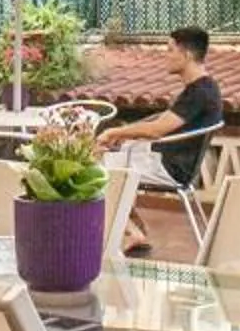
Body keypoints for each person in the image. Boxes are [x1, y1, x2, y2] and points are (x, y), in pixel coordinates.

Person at [95, 25, 222, 254]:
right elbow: (162, 120)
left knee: (95, 170)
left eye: (170, 50)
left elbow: (156, 130)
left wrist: (114, 133)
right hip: (166, 158)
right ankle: (132, 226)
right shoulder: (202, 88)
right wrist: (125, 135)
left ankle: (133, 231)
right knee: (107, 154)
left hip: (170, 167)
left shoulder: (199, 93)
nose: (166, 55)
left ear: (187, 55)